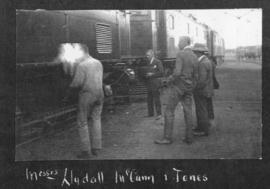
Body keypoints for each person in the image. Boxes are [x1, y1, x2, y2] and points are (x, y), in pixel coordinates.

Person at [59, 43, 105, 159]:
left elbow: (77, 83)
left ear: (81, 52)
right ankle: (96, 148)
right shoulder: (98, 62)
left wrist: (66, 92)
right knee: (96, 119)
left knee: (82, 122)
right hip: (100, 94)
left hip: (87, 95)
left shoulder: (82, 65)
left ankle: (86, 151)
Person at [154, 36, 198, 144]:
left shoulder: (181, 54)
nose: (178, 44)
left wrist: (169, 80)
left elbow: (177, 72)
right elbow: (196, 75)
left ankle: (167, 138)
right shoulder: (194, 56)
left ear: (185, 42)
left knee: (169, 111)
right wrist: (191, 86)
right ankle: (189, 138)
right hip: (188, 87)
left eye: (179, 42)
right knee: (188, 111)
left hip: (178, 87)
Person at [192, 43, 214, 136]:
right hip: (206, 90)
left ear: (198, 52)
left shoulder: (202, 63)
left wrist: (194, 88)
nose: (193, 54)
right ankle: (201, 127)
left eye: (194, 52)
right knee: (203, 109)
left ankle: (204, 130)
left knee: (201, 110)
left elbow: (202, 80)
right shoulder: (207, 61)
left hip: (201, 91)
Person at [144, 49, 164, 119]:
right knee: (149, 99)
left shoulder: (158, 62)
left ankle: (159, 114)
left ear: (152, 55)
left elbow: (161, 73)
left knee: (156, 99)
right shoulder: (147, 62)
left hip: (155, 83)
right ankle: (150, 113)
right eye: (146, 55)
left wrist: (152, 74)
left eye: (148, 55)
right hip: (149, 83)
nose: (147, 56)